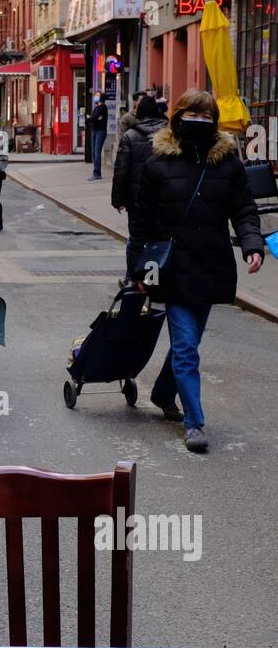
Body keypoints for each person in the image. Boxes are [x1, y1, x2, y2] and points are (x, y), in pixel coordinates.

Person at [130, 89, 264, 453]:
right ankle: (195, 423)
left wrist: (253, 245)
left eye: (207, 117)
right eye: (193, 115)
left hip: (210, 265)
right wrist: (139, 270)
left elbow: (244, 209)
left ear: (215, 122)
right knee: (187, 347)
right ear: (178, 117)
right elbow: (141, 224)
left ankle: (161, 392)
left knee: (188, 344)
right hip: (172, 269)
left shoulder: (228, 163)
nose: (200, 123)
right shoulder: (156, 161)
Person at [111, 95, 166, 279]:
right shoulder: (170, 134)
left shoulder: (130, 136)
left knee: (136, 240)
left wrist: (118, 200)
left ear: (139, 114)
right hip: (165, 197)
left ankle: (133, 279)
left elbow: (121, 171)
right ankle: (156, 279)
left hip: (137, 200)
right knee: (160, 239)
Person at [88, 91, 108, 180]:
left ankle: (97, 173)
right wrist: (93, 119)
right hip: (95, 130)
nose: (95, 97)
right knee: (94, 152)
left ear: (101, 97)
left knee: (97, 152)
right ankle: (96, 171)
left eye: (97, 95)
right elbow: (94, 118)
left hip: (100, 131)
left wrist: (91, 118)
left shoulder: (103, 107)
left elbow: (93, 117)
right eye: (95, 95)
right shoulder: (96, 107)